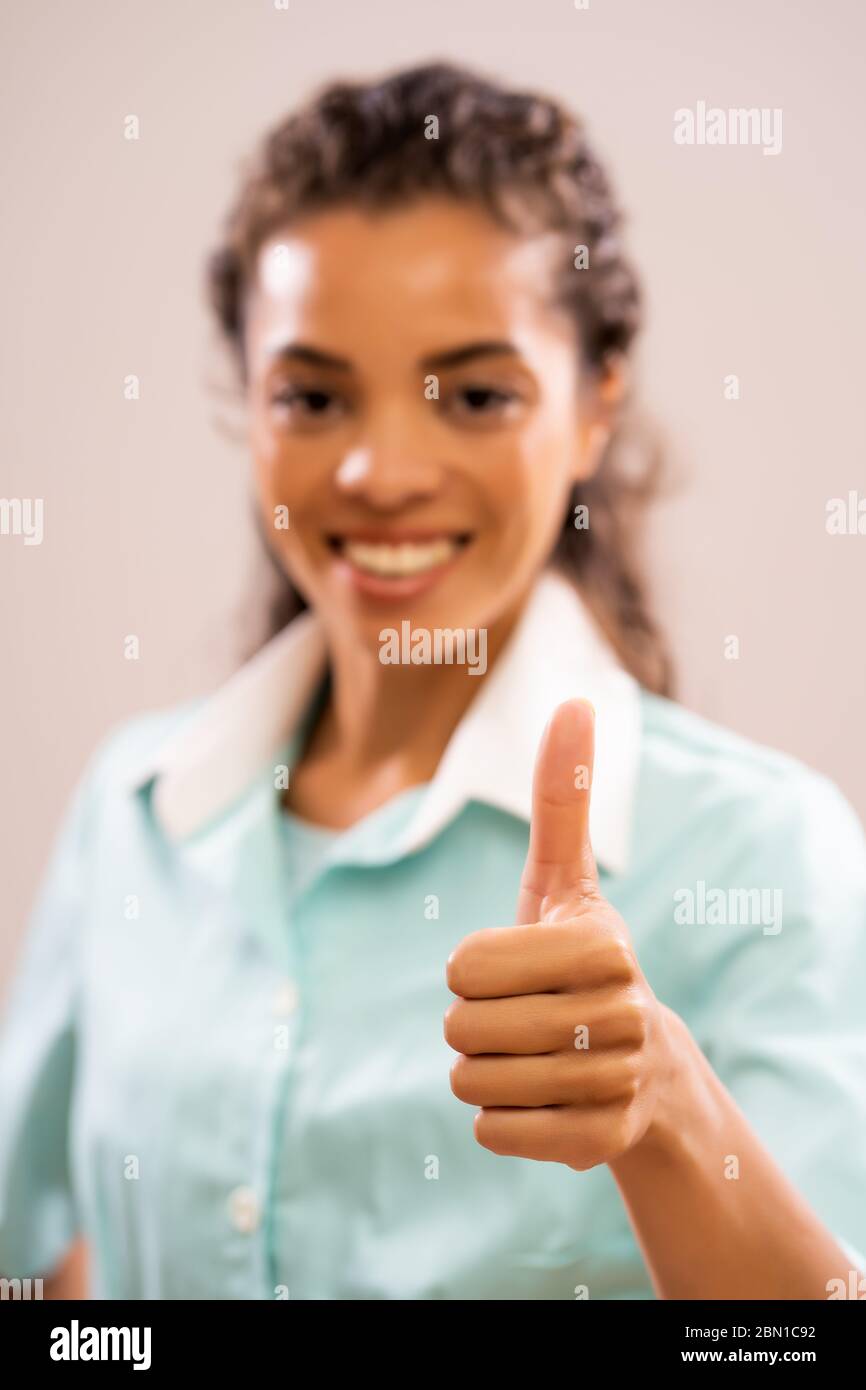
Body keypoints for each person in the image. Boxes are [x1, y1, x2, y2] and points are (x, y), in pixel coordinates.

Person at [2, 61, 865, 1302]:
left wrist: (670, 1114)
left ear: (593, 406)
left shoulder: (758, 853)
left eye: (473, 395)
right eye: (311, 394)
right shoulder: (130, 811)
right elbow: (52, 1265)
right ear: (245, 406)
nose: (379, 468)